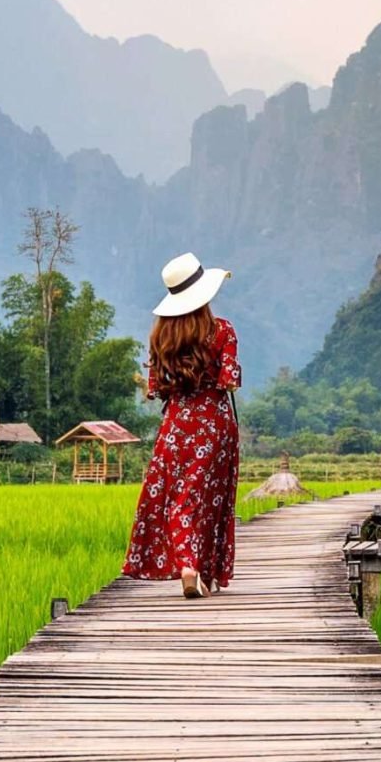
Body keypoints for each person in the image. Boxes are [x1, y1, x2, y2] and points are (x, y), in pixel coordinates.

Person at [122, 251, 241, 599]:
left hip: (177, 426)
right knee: (211, 497)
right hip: (215, 424)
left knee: (180, 497)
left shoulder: (161, 338)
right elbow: (229, 380)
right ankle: (198, 568)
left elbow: (155, 388)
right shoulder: (223, 331)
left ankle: (189, 567)